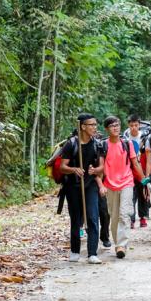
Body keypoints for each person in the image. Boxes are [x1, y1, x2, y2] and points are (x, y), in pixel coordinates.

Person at [59, 113, 104, 264]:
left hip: (90, 184)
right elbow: (62, 167)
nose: (94, 127)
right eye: (91, 125)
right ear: (83, 127)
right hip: (72, 186)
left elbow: (101, 167)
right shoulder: (71, 144)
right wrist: (74, 169)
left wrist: (95, 171)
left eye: (95, 124)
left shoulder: (98, 144)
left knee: (92, 217)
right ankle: (75, 250)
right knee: (76, 219)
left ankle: (92, 253)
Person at [99, 116, 147, 259]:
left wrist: (144, 180)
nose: (115, 128)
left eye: (117, 125)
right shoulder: (103, 145)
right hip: (110, 184)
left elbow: (135, 163)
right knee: (113, 217)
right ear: (107, 129)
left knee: (124, 214)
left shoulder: (127, 143)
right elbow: (100, 167)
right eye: (112, 126)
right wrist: (100, 184)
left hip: (127, 182)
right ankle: (118, 243)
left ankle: (121, 245)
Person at [123, 114, 149, 229]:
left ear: (139, 125)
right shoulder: (125, 137)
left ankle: (143, 217)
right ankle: (131, 219)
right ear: (128, 125)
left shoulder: (144, 137)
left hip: (141, 168)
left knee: (142, 192)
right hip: (129, 169)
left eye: (136, 125)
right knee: (130, 195)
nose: (134, 127)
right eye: (131, 125)